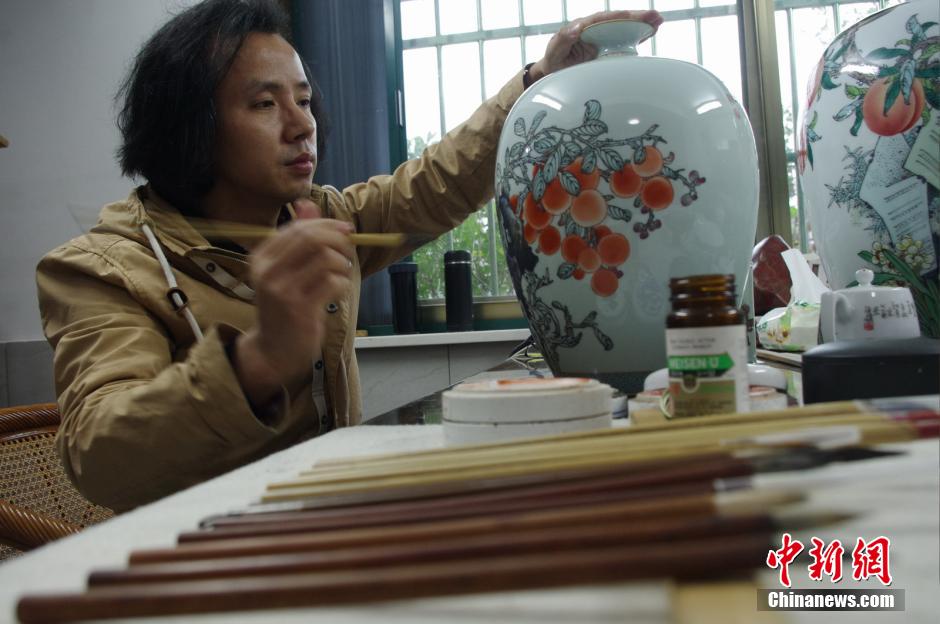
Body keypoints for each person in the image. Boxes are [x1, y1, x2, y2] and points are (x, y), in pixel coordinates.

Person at [36, 0, 662, 511]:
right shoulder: (101, 269)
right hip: (203, 556)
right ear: (188, 125)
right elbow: (99, 457)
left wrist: (537, 80)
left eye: (304, 99)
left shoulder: (319, 219)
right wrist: (257, 360)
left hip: (326, 518)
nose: (301, 124)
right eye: (264, 104)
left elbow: (434, 186)